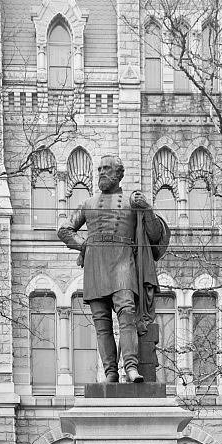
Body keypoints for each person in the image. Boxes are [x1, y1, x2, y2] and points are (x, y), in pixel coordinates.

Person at [58, 154, 170, 383]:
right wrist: (84, 247)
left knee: (127, 313)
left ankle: (131, 367)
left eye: (107, 169)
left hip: (122, 261)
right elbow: (64, 230)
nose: (101, 172)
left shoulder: (132, 202)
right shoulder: (88, 203)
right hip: (95, 265)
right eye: (99, 169)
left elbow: (156, 235)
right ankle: (110, 372)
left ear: (119, 174)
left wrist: (147, 209)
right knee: (101, 322)